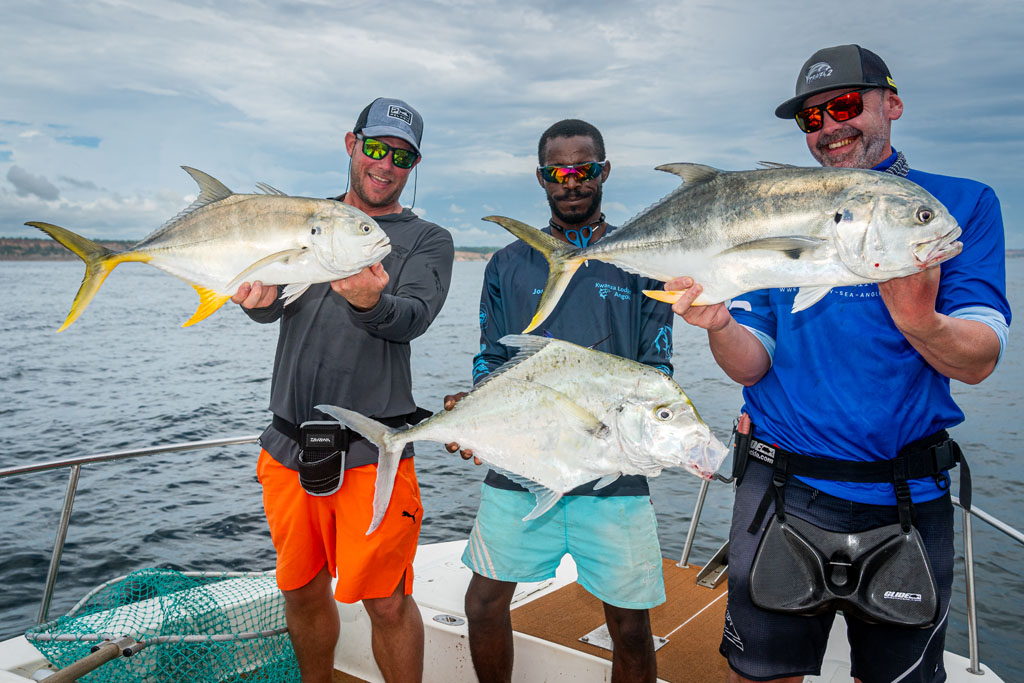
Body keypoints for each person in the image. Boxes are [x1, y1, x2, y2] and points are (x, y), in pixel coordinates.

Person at [668, 45, 1010, 683]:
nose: (828, 125)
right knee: (760, 675)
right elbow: (750, 366)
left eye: (845, 105)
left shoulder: (959, 206)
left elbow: (979, 360)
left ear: (893, 104)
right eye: (811, 118)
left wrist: (919, 320)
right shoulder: (774, 203)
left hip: (907, 493)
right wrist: (718, 326)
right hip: (779, 487)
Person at [232, 97, 454, 683]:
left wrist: (369, 302)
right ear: (351, 144)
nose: (385, 164)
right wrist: (255, 302)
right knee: (302, 591)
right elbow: (274, 303)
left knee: (385, 601)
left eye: (400, 156)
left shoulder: (428, 238)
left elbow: (411, 318)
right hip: (287, 447)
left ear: (414, 164)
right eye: (376, 148)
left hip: (371, 453)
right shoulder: (301, 218)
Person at [447, 119, 675, 683]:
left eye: (585, 170)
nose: (572, 182)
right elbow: (491, 360)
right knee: (483, 604)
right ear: (542, 178)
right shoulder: (505, 264)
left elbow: (657, 369)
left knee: (629, 626)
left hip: (612, 469)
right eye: (559, 172)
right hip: (523, 465)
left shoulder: (642, 258)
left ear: (604, 171)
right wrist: (477, 413)